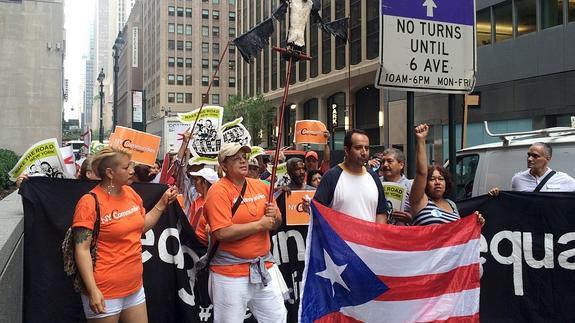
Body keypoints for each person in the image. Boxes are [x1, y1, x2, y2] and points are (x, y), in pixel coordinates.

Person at [72, 147, 178, 322]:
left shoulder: (130, 193)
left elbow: (140, 226)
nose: (132, 171)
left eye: (131, 165)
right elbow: (81, 250)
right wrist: (92, 290)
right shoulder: (89, 203)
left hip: (134, 287)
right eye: (126, 167)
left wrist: (162, 203)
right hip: (105, 290)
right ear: (110, 173)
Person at [204, 143, 286, 322]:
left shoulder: (262, 186)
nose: (243, 161)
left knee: (278, 317)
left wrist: (274, 218)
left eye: (244, 157)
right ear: (224, 166)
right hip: (229, 273)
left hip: (264, 267)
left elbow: (276, 223)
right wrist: (260, 225)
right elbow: (222, 233)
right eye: (236, 159)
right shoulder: (218, 192)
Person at [410, 124, 485, 226]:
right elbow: (421, 173)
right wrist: (421, 140)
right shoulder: (419, 201)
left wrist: (475, 224)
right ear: (425, 183)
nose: (437, 182)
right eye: (432, 179)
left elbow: (459, 233)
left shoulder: (451, 205)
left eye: (441, 179)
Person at [314, 129, 388, 223]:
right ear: (346, 150)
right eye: (358, 148)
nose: (364, 152)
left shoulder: (373, 177)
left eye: (367, 148)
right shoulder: (331, 177)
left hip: (369, 237)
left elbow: (381, 212)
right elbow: (317, 212)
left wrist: (378, 236)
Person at [489, 142, 575, 195]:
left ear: (548, 158)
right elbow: (514, 204)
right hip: (527, 224)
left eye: (535, 156)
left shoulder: (563, 179)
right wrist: (497, 194)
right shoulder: (518, 179)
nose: (529, 159)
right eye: (529, 155)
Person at [380, 148, 412, 224]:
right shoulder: (374, 183)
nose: (385, 164)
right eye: (383, 161)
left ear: (401, 165)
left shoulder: (410, 186)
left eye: (389, 161)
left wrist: (410, 218)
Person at [188, 167, 219, 246]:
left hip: (206, 248)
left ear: (204, 182)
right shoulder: (197, 201)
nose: (194, 182)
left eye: (197, 180)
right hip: (192, 245)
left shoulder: (216, 202)